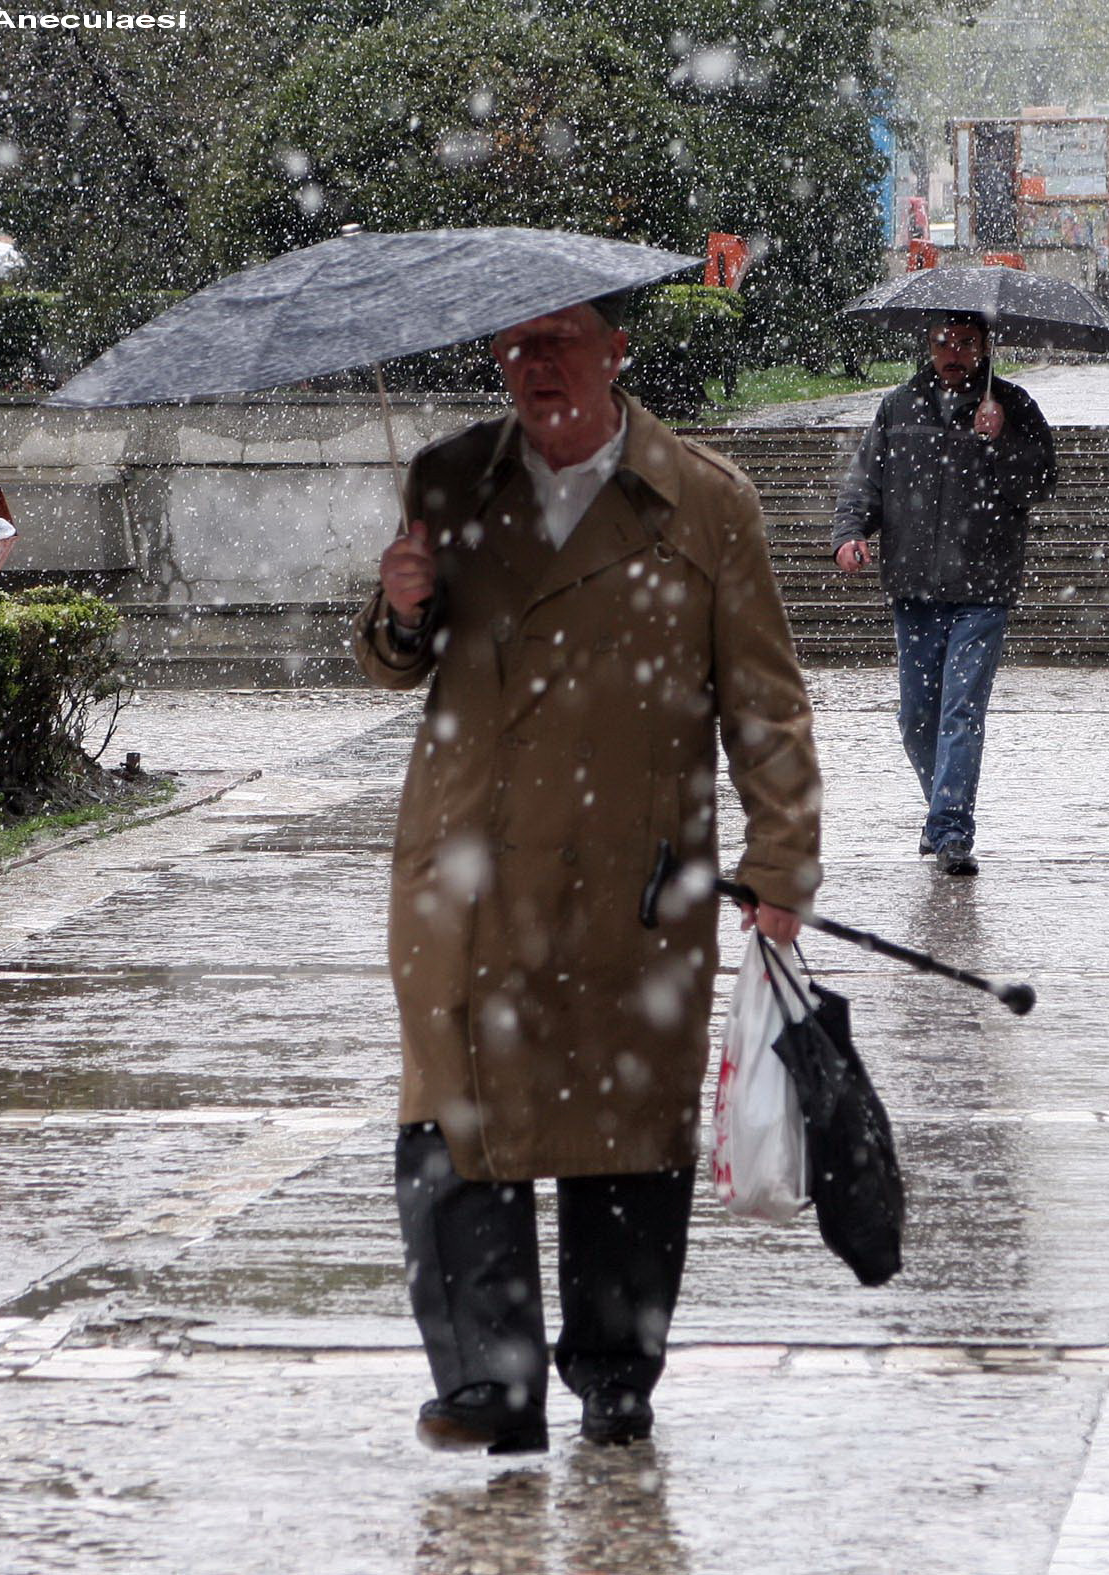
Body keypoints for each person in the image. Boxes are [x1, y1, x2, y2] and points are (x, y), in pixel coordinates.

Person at [356, 296, 823, 1453]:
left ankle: (616, 1378)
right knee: (456, 1114)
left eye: (563, 340)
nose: (538, 364)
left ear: (618, 351)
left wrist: (781, 860)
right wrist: (401, 610)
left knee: (625, 1128)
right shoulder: (452, 481)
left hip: (633, 870)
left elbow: (765, 702)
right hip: (467, 866)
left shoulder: (706, 502)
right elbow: (392, 664)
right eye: (514, 344)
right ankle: (487, 1386)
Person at [830, 315, 1057, 876]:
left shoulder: (1013, 406)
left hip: (983, 584)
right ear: (927, 346)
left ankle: (952, 830)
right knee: (916, 717)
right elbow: (867, 480)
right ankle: (944, 809)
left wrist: (999, 440)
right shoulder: (899, 406)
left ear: (985, 348)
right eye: (942, 343)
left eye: (964, 344)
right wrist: (850, 532)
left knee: (960, 708)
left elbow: (1042, 482)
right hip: (915, 585)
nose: (952, 353)